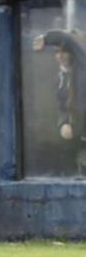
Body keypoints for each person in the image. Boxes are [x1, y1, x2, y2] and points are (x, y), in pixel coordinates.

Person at [33, 29, 86, 172]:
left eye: (64, 52)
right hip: (74, 136)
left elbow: (68, 40)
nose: (60, 56)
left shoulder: (82, 68)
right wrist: (64, 122)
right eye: (57, 53)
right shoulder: (61, 77)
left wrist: (47, 38)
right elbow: (62, 106)